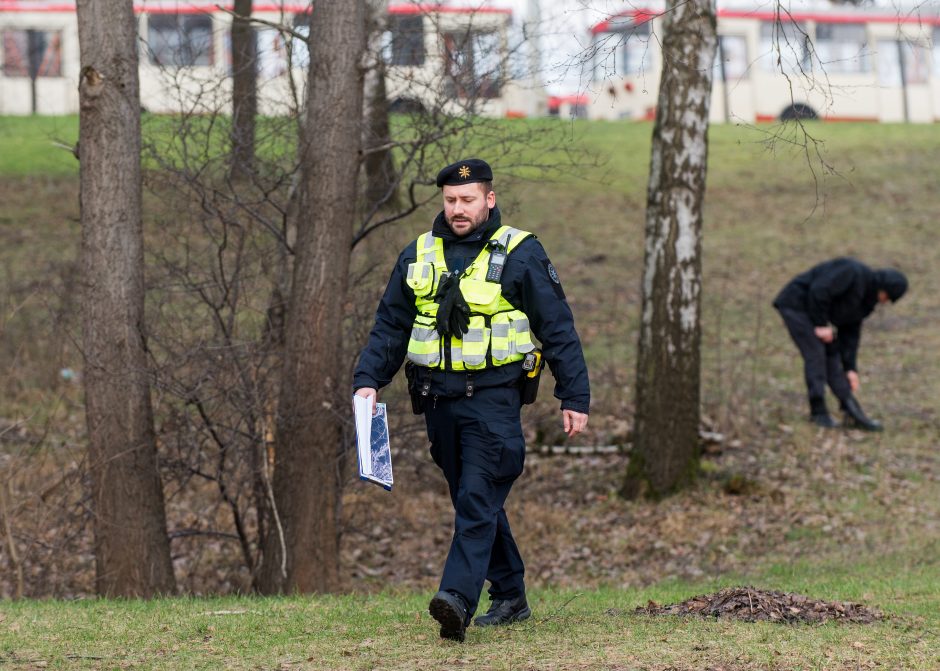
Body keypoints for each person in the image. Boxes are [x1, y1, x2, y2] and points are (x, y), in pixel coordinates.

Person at [353, 158, 590, 642]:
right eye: (450, 201)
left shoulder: (521, 253)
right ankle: (510, 595)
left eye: (467, 199)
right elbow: (392, 326)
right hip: (437, 403)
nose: (458, 209)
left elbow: (557, 328)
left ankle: (456, 600)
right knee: (472, 501)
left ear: (489, 199)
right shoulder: (418, 254)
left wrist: (575, 394)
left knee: (478, 499)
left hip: (494, 401)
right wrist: (368, 378)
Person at [773, 257, 907, 430]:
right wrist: (821, 324)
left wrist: (850, 368)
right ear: (883, 288)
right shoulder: (852, 272)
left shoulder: (866, 303)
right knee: (816, 354)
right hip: (796, 304)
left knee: (832, 354)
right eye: (887, 297)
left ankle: (851, 410)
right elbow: (819, 290)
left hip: (814, 313)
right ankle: (818, 411)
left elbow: (850, 334)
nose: (885, 301)